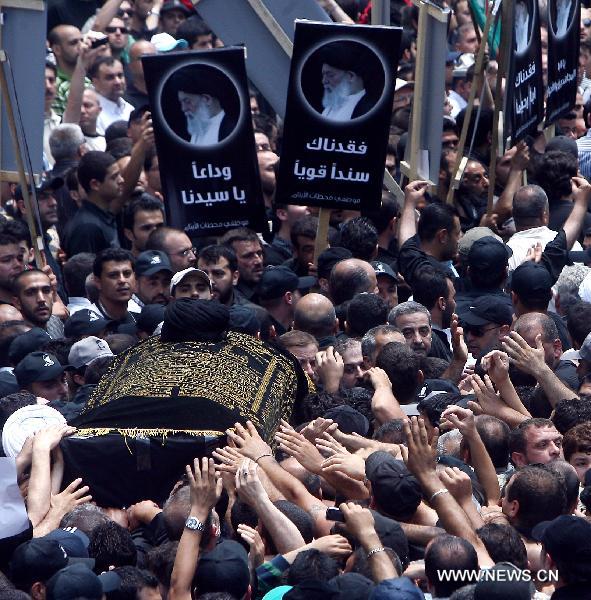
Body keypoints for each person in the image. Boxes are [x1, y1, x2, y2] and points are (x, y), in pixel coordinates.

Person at [64, 151, 123, 256]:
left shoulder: (105, 216)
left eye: (120, 175)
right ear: (95, 184)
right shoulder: (87, 228)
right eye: (114, 177)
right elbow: (86, 270)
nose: (121, 180)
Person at [171, 66, 236, 145]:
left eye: (187, 101)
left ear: (207, 99)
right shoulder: (198, 128)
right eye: (181, 102)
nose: (183, 108)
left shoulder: (231, 131)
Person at [317, 41, 373, 121]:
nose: (324, 81)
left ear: (350, 76)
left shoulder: (368, 109)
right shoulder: (330, 108)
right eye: (323, 75)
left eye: (330, 75)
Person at [256, 266, 314, 336]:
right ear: (289, 297)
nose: (302, 298)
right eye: (299, 292)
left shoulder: (255, 331)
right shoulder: (279, 342)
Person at [90, 248, 137, 328]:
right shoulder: (87, 324)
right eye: (113, 275)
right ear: (98, 282)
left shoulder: (139, 320)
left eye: (127, 274)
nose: (122, 280)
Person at [11, 270, 65, 340]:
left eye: (46, 291)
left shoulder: (56, 322)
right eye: (30, 293)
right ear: (17, 302)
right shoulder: (15, 338)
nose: (41, 299)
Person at [89, 56, 135, 135]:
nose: (117, 82)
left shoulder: (129, 109)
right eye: (110, 78)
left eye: (120, 75)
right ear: (95, 82)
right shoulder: (91, 115)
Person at [220, 228, 264, 301]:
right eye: (248, 256)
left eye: (259, 254)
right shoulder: (226, 298)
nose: (258, 261)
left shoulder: (274, 286)